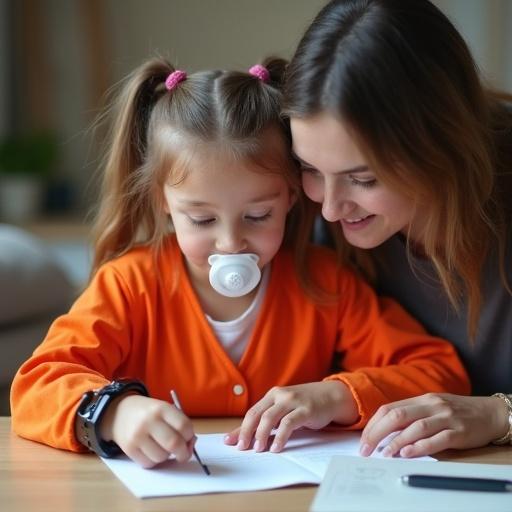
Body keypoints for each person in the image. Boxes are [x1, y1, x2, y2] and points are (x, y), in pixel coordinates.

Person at [10, 56, 469, 470]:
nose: (230, 242)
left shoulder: (325, 283)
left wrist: (339, 395)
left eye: (257, 216)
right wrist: (114, 413)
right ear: (162, 202)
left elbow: (437, 371)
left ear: (292, 196)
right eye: (202, 218)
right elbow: (36, 386)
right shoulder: (129, 285)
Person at [283, 0, 512, 458]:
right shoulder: (307, 213)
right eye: (309, 168)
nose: (329, 209)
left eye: (363, 179)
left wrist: (497, 414)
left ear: (438, 144)